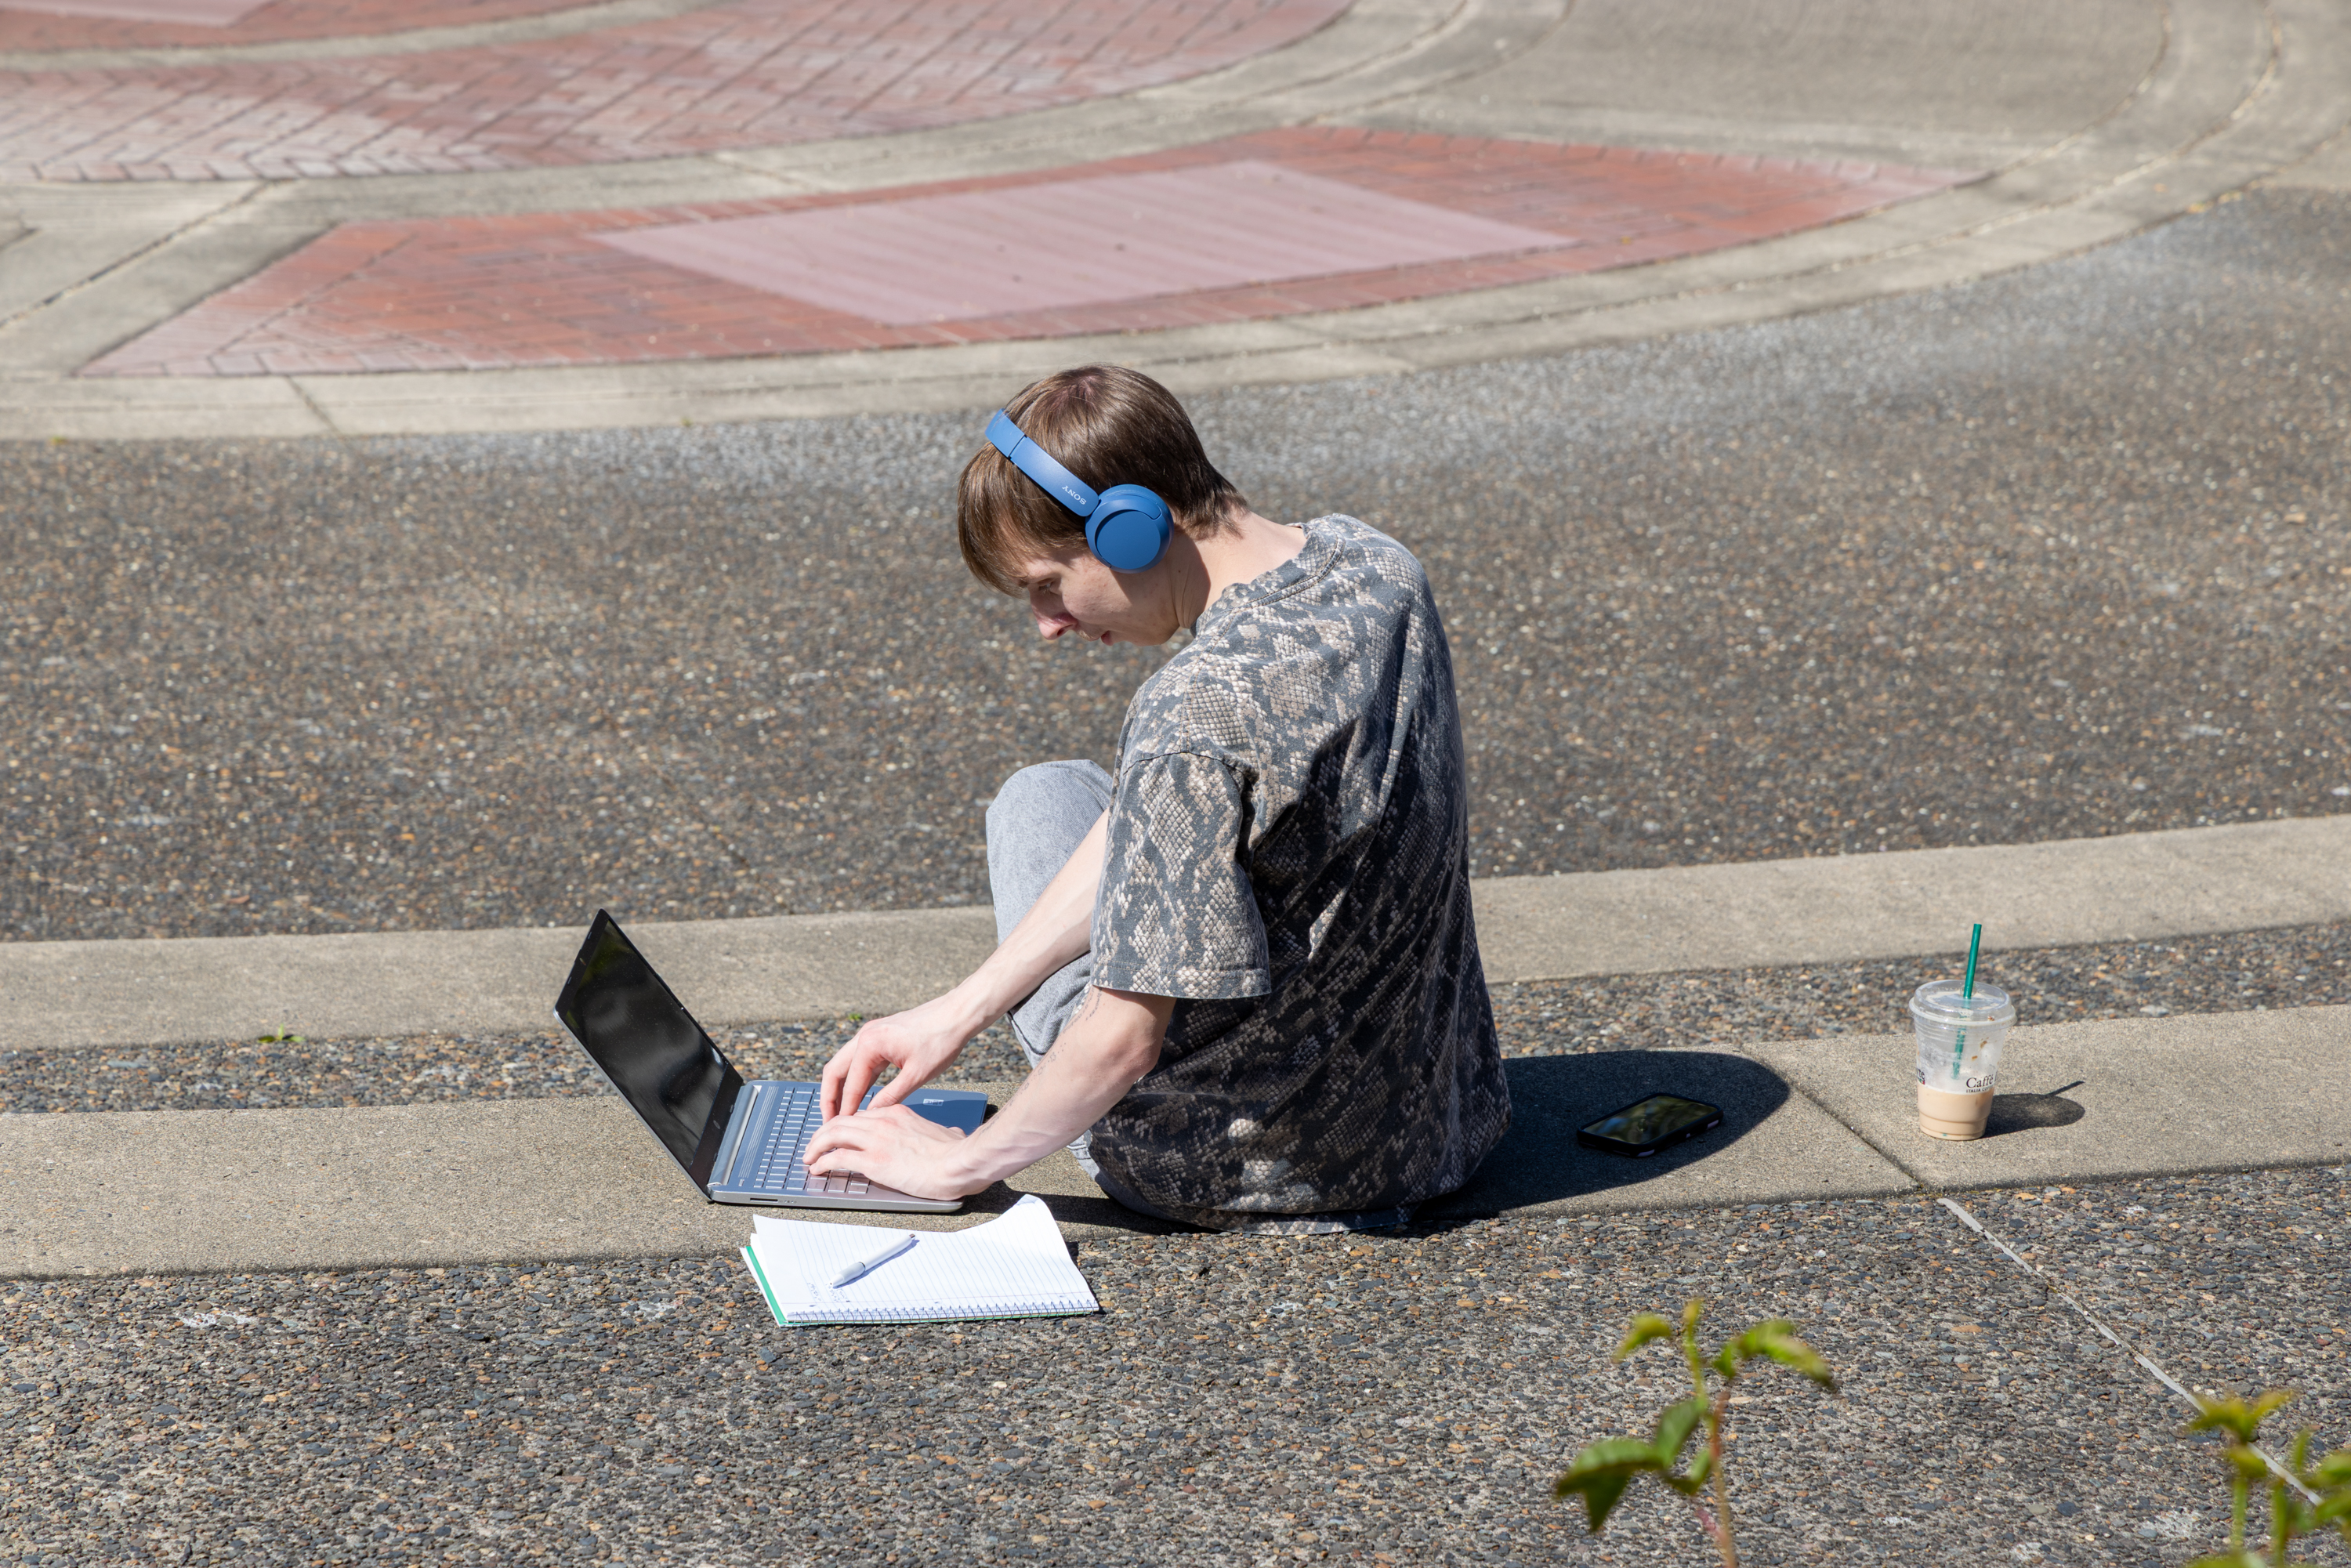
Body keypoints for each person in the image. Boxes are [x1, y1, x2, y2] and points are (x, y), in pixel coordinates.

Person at [803, 364, 1507, 1233]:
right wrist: (957, 1010)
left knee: (1037, 802)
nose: (1047, 625)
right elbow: (1163, 817)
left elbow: (1123, 1039)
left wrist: (951, 1164)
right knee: (1071, 793)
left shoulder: (1194, 712)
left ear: (1131, 531)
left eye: (1045, 583)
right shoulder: (1378, 566)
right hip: (1441, 1125)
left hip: (1241, 1162)